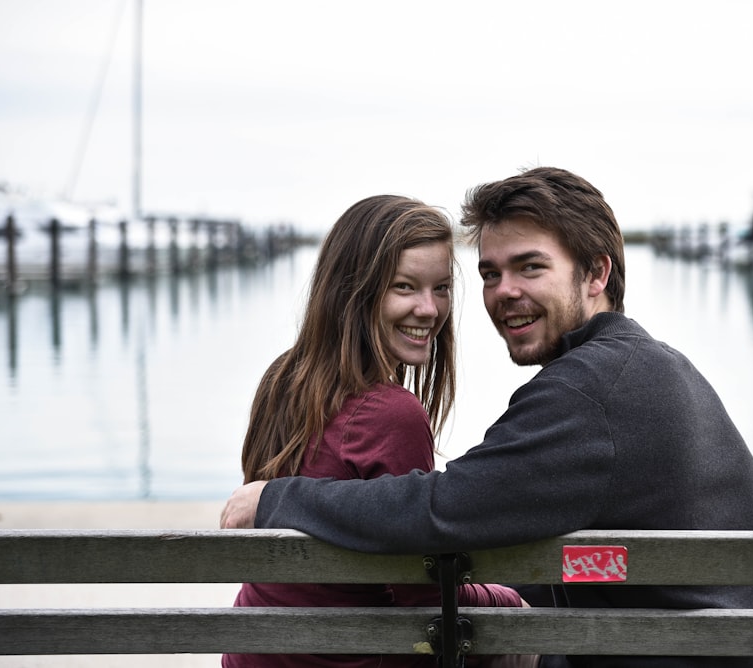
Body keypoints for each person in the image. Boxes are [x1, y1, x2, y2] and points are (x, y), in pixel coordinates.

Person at [222, 168, 753, 668]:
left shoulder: (589, 392)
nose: (505, 293)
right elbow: (602, 560)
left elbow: (442, 509)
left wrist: (279, 498)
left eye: (529, 268)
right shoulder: (650, 367)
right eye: (491, 274)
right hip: (703, 640)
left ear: (596, 274)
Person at [221, 195, 526, 668]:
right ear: (355, 291)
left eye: (441, 288)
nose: (429, 309)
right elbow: (421, 594)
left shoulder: (284, 378)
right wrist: (507, 600)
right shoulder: (390, 414)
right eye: (405, 287)